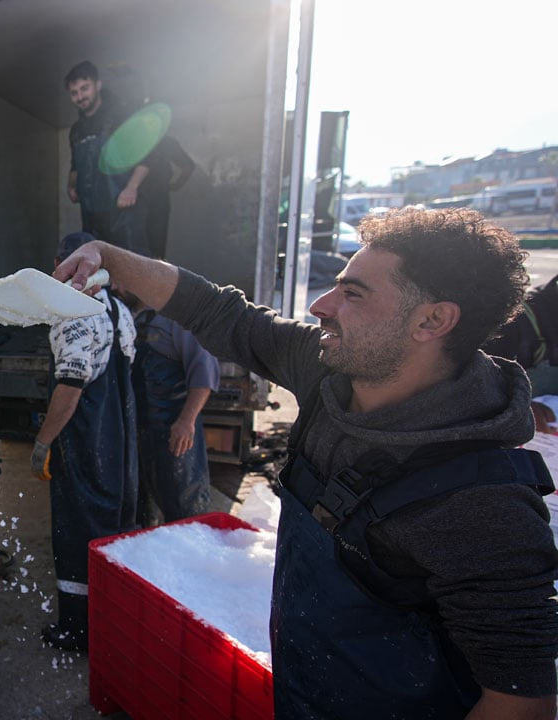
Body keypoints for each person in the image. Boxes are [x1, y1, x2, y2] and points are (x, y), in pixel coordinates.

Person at [54, 207, 558, 719]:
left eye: (354, 293)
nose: (321, 305)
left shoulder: (484, 505)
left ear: (432, 320)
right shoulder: (327, 370)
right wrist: (108, 256)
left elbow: (521, 700)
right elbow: (216, 311)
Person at [31, 231, 138, 652]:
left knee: (79, 531)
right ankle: (114, 622)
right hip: (121, 441)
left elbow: (71, 387)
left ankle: (78, 631)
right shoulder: (120, 310)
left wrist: (43, 442)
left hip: (87, 440)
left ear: (61, 262)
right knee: (114, 531)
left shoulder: (70, 314)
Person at [124, 292, 219, 525]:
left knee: (183, 505)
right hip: (141, 431)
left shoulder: (182, 322)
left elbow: (204, 377)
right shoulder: (133, 319)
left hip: (175, 431)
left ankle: (190, 556)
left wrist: (186, 422)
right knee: (142, 506)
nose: (116, 285)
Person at [65, 61, 157, 256]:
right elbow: (75, 166)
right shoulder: (76, 130)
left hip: (124, 212)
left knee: (133, 270)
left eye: (84, 88)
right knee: (97, 271)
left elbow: (148, 156)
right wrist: (71, 186)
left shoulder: (120, 115)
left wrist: (131, 188)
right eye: (74, 93)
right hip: (92, 215)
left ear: (97, 85)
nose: (80, 96)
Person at [138, 135, 195, 260]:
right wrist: (174, 185)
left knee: (152, 248)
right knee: (154, 248)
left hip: (151, 200)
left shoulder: (163, 141)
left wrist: (175, 185)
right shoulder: (164, 140)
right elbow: (188, 166)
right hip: (150, 199)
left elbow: (188, 166)